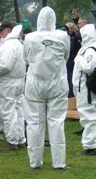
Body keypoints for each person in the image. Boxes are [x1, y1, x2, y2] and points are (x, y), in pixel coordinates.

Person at [23, 7, 70, 169]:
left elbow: (26, 58)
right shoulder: (63, 36)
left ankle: (35, 162)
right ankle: (59, 163)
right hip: (57, 82)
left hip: (35, 83)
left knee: (34, 122)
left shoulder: (30, 37)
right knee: (57, 122)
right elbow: (66, 56)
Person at [0, 22, 26, 150]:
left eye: (1, 31)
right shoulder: (18, 44)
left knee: (8, 112)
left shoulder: (9, 45)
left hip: (7, 83)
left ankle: (12, 141)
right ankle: (20, 139)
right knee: (18, 111)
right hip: (18, 81)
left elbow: (5, 65)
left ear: (8, 30)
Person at [72, 24, 96, 155]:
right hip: (84, 89)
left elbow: (88, 67)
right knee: (89, 115)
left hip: (86, 90)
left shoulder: (90, 50)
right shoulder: (87, 49)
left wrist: (80, 60)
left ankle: (91, 145)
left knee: (89, 116)